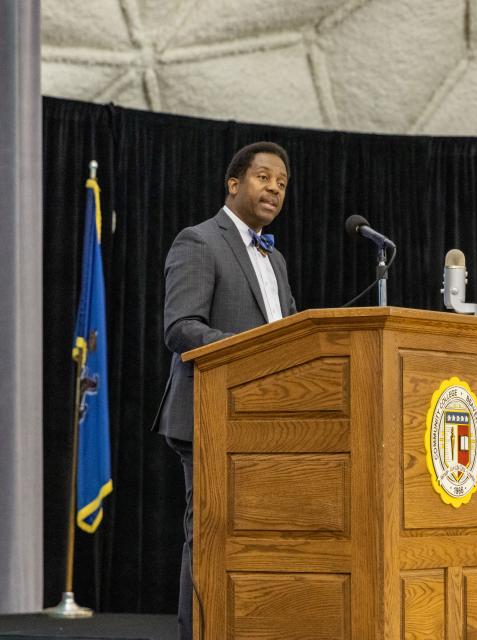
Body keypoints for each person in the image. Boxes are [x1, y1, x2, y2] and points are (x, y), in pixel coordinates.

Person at [150, 141, 296, 640]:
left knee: (259, 544)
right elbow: (181, 327)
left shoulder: (274, 261)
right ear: (233, 184)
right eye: (263, 177)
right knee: (213, 540)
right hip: (211, 419)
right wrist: (256, 349)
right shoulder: (199, 241)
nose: (274, 187)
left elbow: (292, 336)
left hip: (265, 424)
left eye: (281, 182)